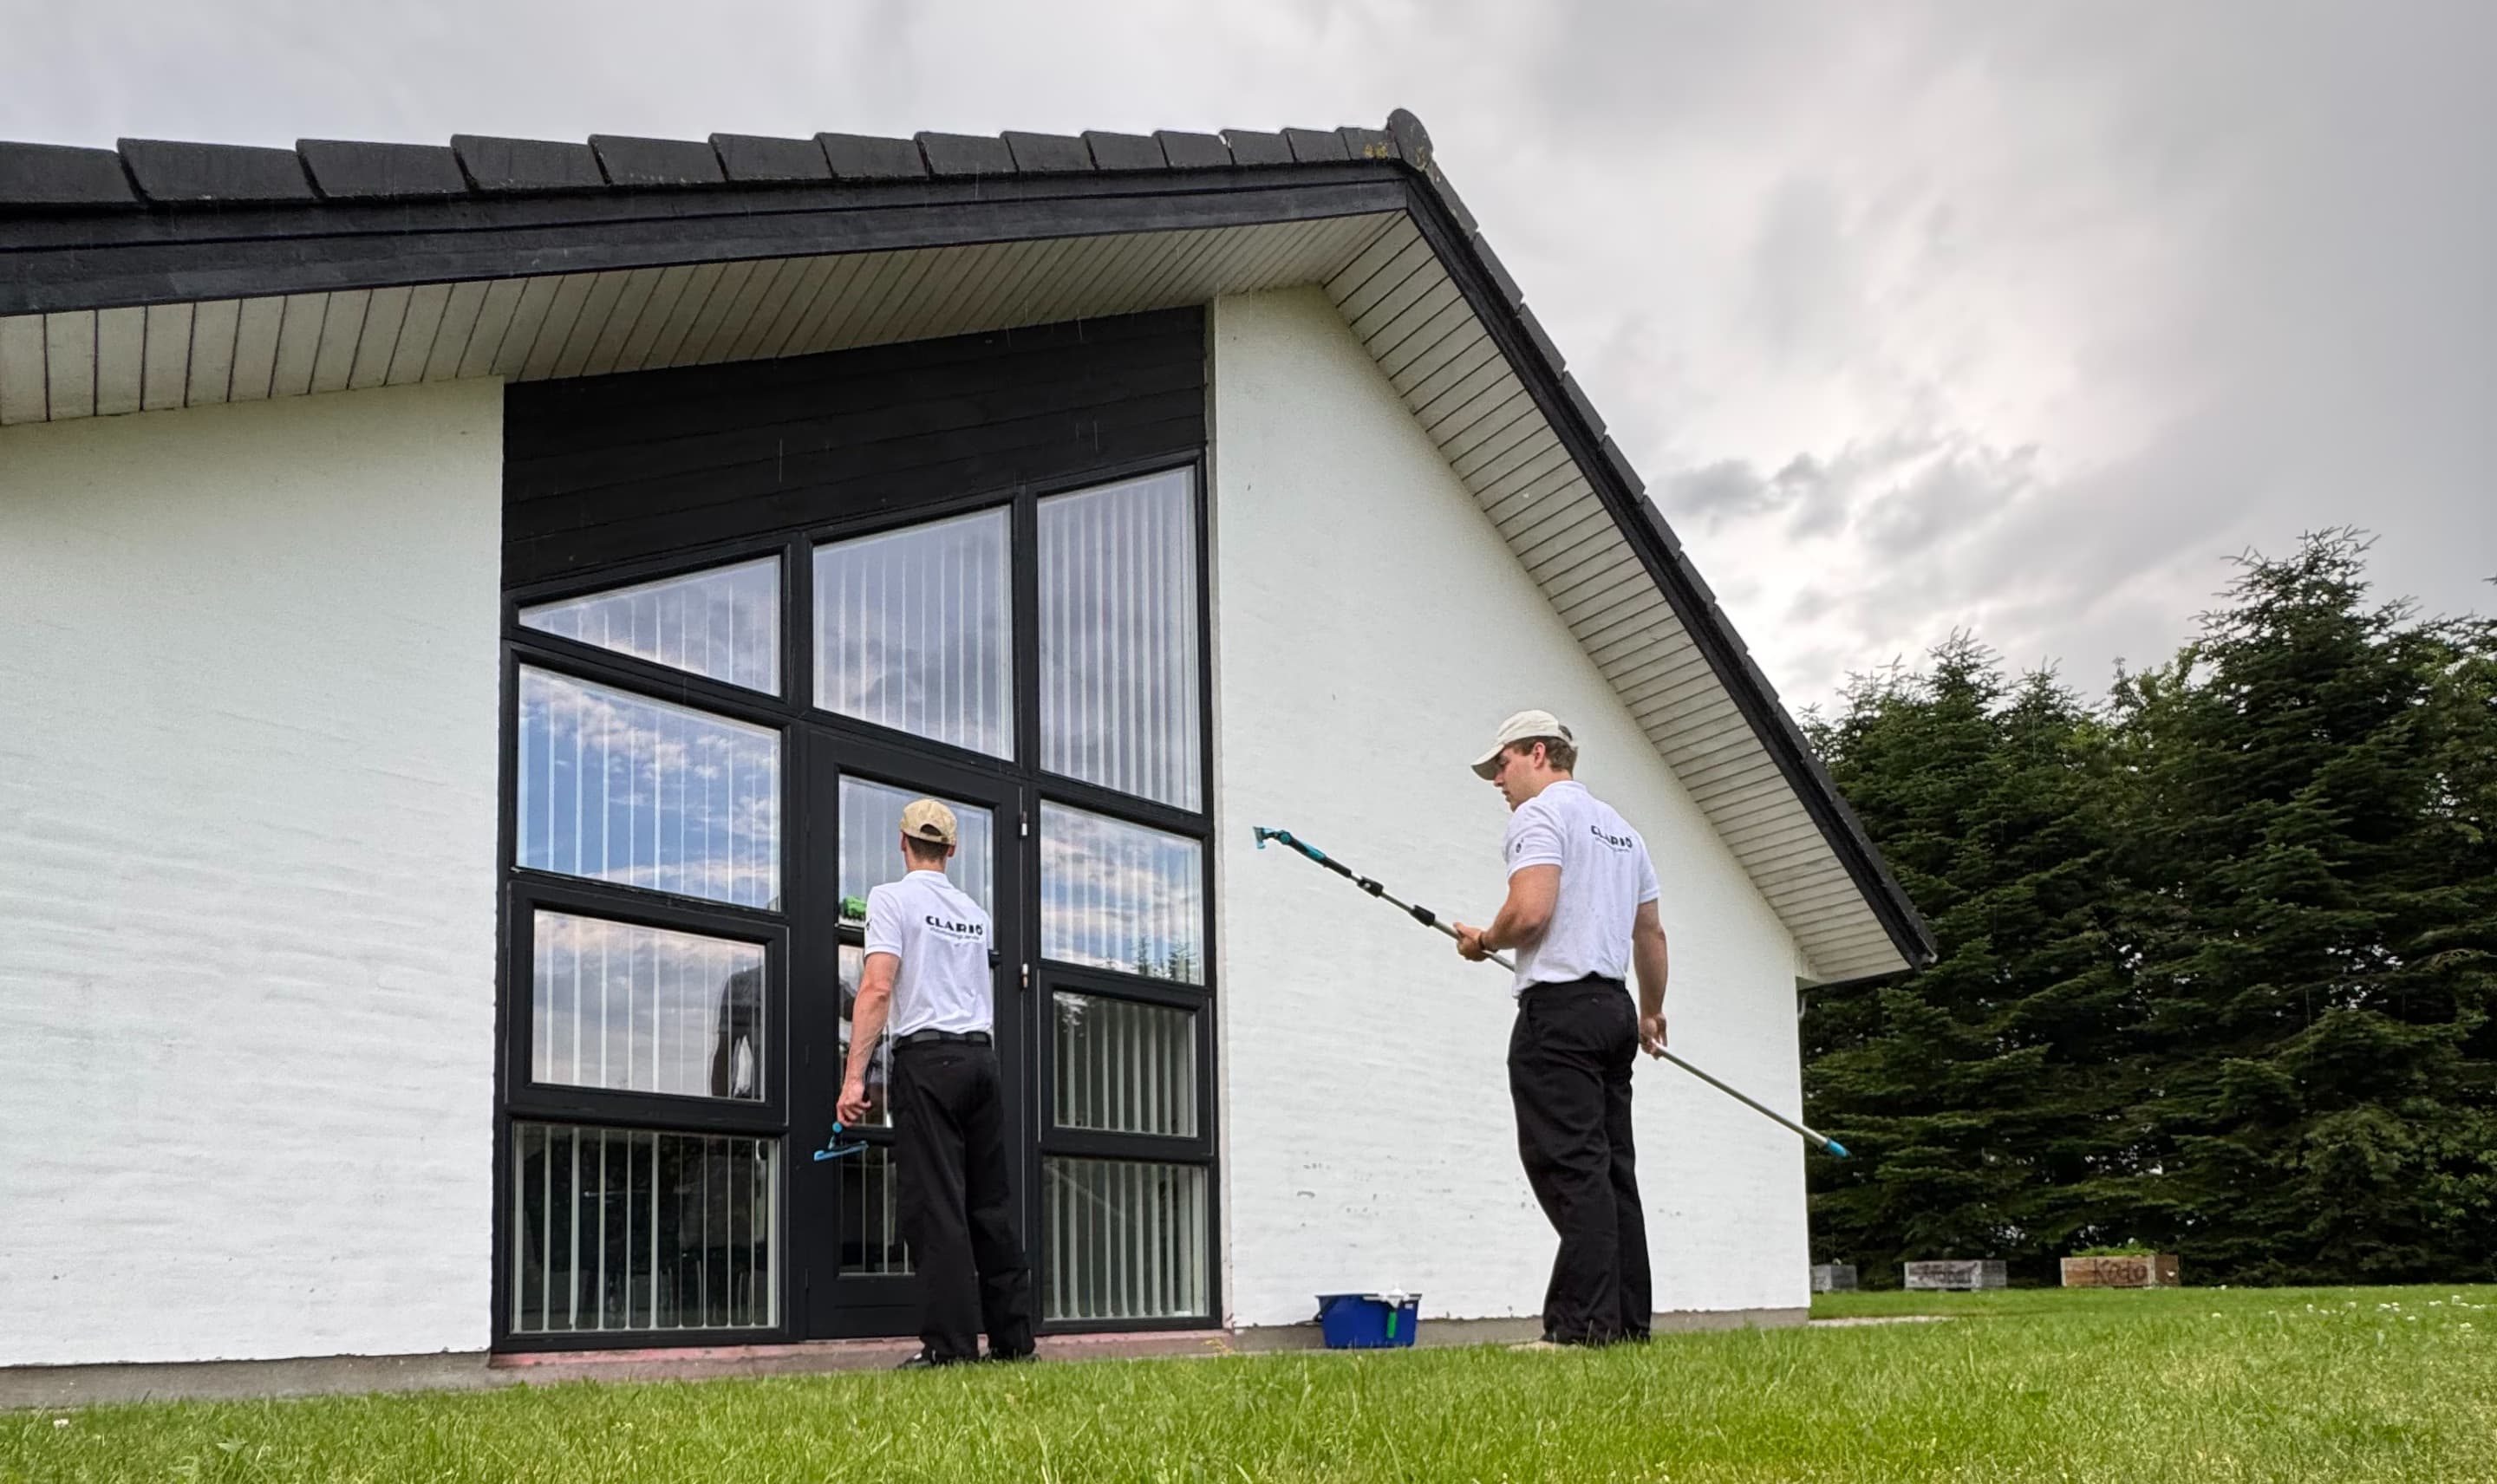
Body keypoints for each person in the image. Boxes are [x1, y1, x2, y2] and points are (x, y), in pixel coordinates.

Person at [1452, 710, 1670, 1347]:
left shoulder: (1539, 816)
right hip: (1614, 1011)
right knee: (1612, 1170)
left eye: (1504, 764)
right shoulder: (1626, 832)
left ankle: (1578, 1328)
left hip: (1560, 1013)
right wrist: (1651, 1013)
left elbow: (1531, 910)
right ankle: (1627, 1325)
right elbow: (1649, 933)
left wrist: (1484, 940)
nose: (1498, 779)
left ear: (1539, 752)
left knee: (1569, 1166)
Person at [837, 798, 1035, 1367]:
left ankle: (950, 1349)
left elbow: (876, 988)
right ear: (952, 849)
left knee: (937, 1208)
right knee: (989, 1205)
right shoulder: (975, 913)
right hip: (982, 1062)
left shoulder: (890, 899)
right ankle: (1013, 1342)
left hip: (928, 1062)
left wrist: (856, 1078)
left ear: (904, 842)